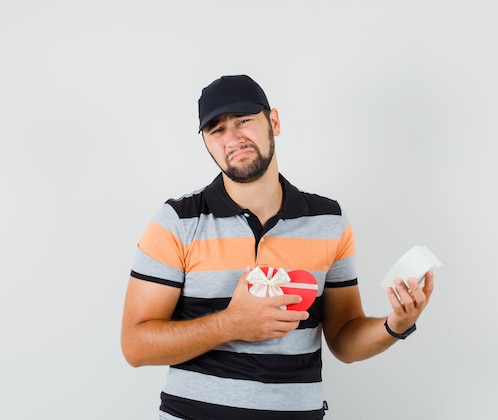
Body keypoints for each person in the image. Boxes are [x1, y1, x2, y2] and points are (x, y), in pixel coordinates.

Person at [121, 74, 435, 420]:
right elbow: (135, 346)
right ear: (207, 143)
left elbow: (344, 339)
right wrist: (231, 324)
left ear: (273, 121)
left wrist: (396, 324)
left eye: (243, 121)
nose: (233, 139)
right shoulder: (177, 221)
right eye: (217, 130)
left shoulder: (329, 220)